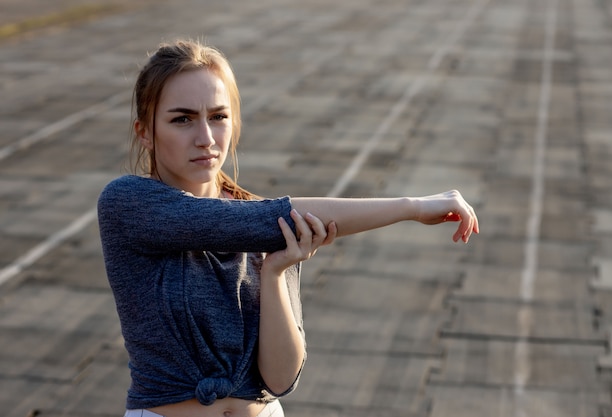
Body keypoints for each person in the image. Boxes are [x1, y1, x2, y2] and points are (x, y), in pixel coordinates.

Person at [97, 39, 479, 417]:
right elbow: (224, 222)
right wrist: (412, 207)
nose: (206, 138)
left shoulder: (267, 226)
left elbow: (279, 381)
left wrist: (276, 272)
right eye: (182, 119)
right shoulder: (128, 203)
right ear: (145, 132)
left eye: (218, 116)